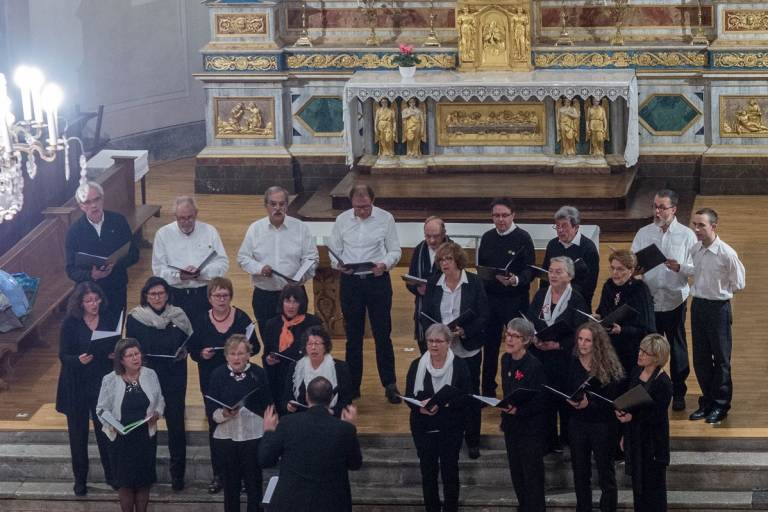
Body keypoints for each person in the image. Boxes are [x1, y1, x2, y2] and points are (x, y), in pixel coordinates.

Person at [329, 184, 402, 402]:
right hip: (351, 281)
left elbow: (395, 250)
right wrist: (338, 264)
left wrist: (384, 264)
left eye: (366, 207)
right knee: (353, 336)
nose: (362, 211)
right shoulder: (342, 220)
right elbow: (334, 250)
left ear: (373, 201)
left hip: (377, 280)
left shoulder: (385, 218)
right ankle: (352, 386)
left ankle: (389, 384)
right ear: (351, 203)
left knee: (382, 335)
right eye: (358, 207)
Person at [188, 276, 258, 494]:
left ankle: (246, 475)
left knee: (243, 422)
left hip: (239, 379)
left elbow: (256, 347)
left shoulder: (242, 318)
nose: (221, 299)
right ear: (209, 298)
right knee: (216, 424)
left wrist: (241, 353)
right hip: (212, 379)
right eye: (217, 295)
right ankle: (220, 474)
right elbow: (192, 350)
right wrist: (202, 353)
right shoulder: (200, 320)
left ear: (231, 296)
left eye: (225, 295)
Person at [421, 241, 488, 458]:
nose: (445, 263)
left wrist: (464, 331)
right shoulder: (434, 283)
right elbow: (426, 316)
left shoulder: (474, 282)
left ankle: (473, 440)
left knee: (470, 394)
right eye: (441, 260)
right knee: (444, 393)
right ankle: (450, 436)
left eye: (448, 259)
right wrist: (438, 335)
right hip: (442, 350)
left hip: (466, 348)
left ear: (458, 260)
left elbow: (483, 315)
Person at [125, 276, 193, 491]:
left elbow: (189, 341)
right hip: (147, 377)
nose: (157, 297)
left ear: (167, 294)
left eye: (161, 293)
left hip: (174, 375)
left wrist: (184, 352)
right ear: (145, 295)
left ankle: (178, 475)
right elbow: (132, 348)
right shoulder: (136, 317)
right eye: (152, 294)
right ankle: (146, 473)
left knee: (176, 424)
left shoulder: (178, 315)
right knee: (147, 423)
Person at [631, 189, 696, 411]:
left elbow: (695, 267)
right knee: (649, 346)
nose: (657, 211)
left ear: (674, 209)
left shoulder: (687, 235)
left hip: (674, 298)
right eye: (655, 207)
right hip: (649, 300)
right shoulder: (644, 233)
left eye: (662, 207)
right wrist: (635, 269)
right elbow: (633, 260)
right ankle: (648, 388)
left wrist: (679, 266)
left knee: (677, 346)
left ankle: (678, 391)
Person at [259, 377, 362, 512]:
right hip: (331, 503)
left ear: (307, 396)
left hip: (291, 502)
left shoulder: (287, 423)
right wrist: (349, 427)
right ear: (331, 398)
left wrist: (268, 431)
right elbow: (355, 464)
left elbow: (265, 459)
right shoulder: (344, 429)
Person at [683, 208, 746, 424]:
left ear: (713, 227)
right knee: (700, 358)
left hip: (718, 308)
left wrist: (719, 292)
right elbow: (695, 272)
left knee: (720, 359)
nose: (697, 229)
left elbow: (739, 283)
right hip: (699, 306)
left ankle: (721, 405)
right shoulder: (696, 249)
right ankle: (707, 401)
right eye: (695, 225)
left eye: (701, 225)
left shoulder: (727, 253)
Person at [55, 281, 117, 495]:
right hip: (76, 383)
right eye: (89, 300)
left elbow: (113, 346)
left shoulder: (108, 319)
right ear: (80, 303)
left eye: (96, 299)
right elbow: (63, 355)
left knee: (104, 430)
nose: (94, 304)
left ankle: (111, 475)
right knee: (78, 434)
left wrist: (113, 355)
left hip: (100, 381)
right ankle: (80, 479)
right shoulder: (70, 323)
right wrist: (78, 359)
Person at [405, 323, 471, 512]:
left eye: (438, 341)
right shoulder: (417, 365)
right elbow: (409, 395)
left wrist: (446, 404)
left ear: (449, 343)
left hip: (450, 426)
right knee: (428, 472)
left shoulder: (459, 365)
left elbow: (467, 396)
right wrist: (420, 407)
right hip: (423, 425)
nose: (434, 345)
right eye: (430, 341)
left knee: (450, 471)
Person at [237, 186, 318, 337]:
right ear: (266, 206)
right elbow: (242, 258)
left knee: (297, 341)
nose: (278, 208)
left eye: (282, 204)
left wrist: (302, 275)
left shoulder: (301, 228)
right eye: (273, 204)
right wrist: (259, 268)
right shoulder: (255, 229)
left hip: (295, 295)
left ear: (287, 205)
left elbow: (312, 259)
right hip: (265, 295)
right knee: (269, 342)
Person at [205, 334, 273, 512]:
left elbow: (268, 403)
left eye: (241, 353)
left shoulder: (258, 373)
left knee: (254, 484)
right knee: (230, 485)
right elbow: (211, 407)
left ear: (249, 354)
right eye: (233, 354)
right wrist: (224, 413)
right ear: (226, 356)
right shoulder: (218, 374)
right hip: (227, 435)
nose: (237, 358)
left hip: (253, 434)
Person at [97, 338, 165, 512]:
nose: (136, 358)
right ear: (121, 360)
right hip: (120, 439)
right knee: (125, 485)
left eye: (137, 354)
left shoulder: (150, 374)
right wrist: (112, 424)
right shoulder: (110, 379)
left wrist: (156, 414)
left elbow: (160, 401)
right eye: (130, 355)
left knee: (143, 483)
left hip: (144, 437)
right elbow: (101, 409)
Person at [528, 256, 587, 453]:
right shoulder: (541, 294)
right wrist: (535, 338)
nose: (552, 275)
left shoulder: (577, 299)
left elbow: (581, 331)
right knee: (544, 401)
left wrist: (559, 344)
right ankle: (548, 442)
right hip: (541, 358)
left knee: (565, 401)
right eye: (551, 271)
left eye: (558, 271)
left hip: (565, 359)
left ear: (569, 276)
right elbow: (530, 319)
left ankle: (568, 442)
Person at [477, 197, 535, 398]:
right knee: (490, 347)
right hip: (491, 300)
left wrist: (516, 279)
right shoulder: (487, 238)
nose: (500, 220)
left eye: (504, 215)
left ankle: (515, 389)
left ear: (513, 215)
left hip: (515, 300)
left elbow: (530, 270)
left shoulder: (523, 238)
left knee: (516, 345)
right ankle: (488, 391)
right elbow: (482, 268)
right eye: (496, 216)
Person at [567, 323, 625, 512]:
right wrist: (571, 401)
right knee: (580, 473)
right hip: (578, 424)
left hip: (603, 425)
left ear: (597, 343)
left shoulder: (608, 366)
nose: (582, 344)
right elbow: (565, 388)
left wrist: (589, 404)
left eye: (588, 340)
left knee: (606, 474)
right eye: (580, 339)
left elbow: (613, 401)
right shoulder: (572, 362)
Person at [616, 334, 673, 512]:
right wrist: (625, 429)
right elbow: (630, 402)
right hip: (636, 438)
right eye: (640, 350)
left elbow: (657, 416)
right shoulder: (636, 372)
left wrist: (633, 418)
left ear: (657, 358)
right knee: (638, 490)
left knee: (654, 492)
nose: (639, 354)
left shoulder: (663, 382)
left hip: (653, 444)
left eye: (645, 352)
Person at [65, 181, 139, 316]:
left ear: (103, 199)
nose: (93, 205)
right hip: (89, 294)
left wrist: (115, 263)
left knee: (116, 329)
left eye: (96, 199)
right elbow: (71, 270)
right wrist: (91, 275)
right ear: (81, 206)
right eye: (87, 202)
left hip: (116, 287)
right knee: (94, 333)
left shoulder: (118, 221)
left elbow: (134, 254)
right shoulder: (74, 231)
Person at [152, 195, 229, 322]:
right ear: (175, 216)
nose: (186, 221)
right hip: (175, 296)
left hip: (205, 294)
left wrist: (202, 273)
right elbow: (158, 270)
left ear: (196, 214)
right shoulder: (163, 234)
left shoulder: (209, 231)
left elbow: (223, 263)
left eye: (190, 217)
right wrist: (179, 276)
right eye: (181, 218)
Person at [500, 317, 547, 512]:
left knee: (532, 477)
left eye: (515, 336)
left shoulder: (534, 366)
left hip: (530, 429)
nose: (509, 340)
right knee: (517, 474)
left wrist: (519, 410)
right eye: (508, 334)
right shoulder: (506, 360)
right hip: (512, 426)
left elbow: (541, 401)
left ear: (526, 340)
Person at [261, 285, 322, 409]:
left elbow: (320, 353)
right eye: (287, 301)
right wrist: (268, 360)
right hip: (279, 378)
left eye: (295, 301)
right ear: (282, 302)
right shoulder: (272, 324)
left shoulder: (313, 323)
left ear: (302, 303)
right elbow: (266, 353)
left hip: (304, 378)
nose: (291, 306)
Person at [596, 250, 656, 375]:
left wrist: (622, 330)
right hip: (609, 347)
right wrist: (597, 317)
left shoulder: (640, 290)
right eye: (612, 268)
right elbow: (602, 311)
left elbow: (647, 329)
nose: (615, 273)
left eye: (620, 269)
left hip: (632, 350)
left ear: (631, 270)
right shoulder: (608, 286)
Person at [283, 325, 354, 417]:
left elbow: (347, 401)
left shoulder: (340, 368)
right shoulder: (295, 367)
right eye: (309, 344)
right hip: (303, 419)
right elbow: (286, 398)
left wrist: (332, 412)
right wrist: (288, 406)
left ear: (325, 346)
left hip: (331, 418)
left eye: (317, 344)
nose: (313, 348)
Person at [542, 206, 600, 311]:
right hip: (552, 303)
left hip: (577, 305)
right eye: (557, 226)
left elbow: (589, 286)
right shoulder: (552, 245)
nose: (560, 230)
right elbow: (545, 276)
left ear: (576, 227)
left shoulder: (588, 248)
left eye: (564, 226)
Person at [406, 216, 448, 353]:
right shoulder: (419, 250)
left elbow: (459, 278)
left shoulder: (452, 249)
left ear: (443, 234)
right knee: (425, 351)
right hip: (423, 308)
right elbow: (410, 279)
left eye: (436, 236)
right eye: (428, 236)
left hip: (446, 307)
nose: (431, 240)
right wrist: (417, 289)